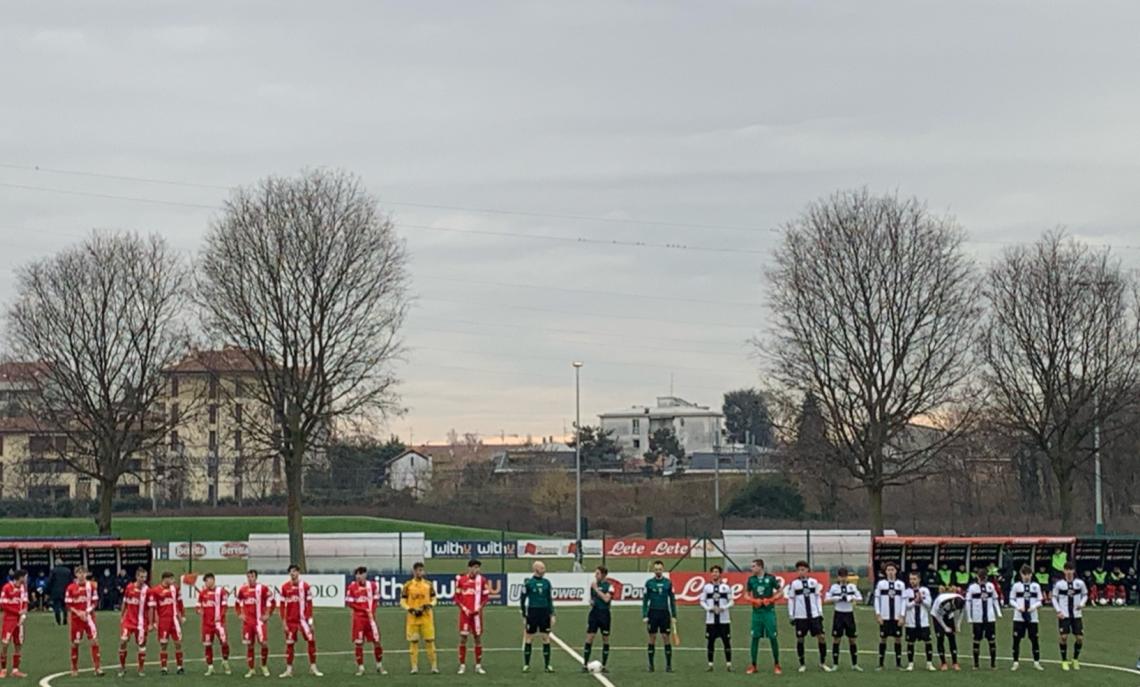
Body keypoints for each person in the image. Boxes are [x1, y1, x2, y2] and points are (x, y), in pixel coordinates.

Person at [786, 560, 831, 673]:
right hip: (800, 616)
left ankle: (822, 662)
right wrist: (791, 615)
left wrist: (820, 612)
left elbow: (817, 597)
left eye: (803, 569)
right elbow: (791, 600)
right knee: (800, 639)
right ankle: (802, 664)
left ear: (807, 570)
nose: (801, 572)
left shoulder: (814, 582)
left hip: (814, 615)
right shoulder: (794, 584)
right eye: (799, 570)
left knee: (821, 637)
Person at [279, 563, 322, 677]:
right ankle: (289, 670)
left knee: (311, 641)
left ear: (298, 573)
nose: (293, 573)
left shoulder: (305, 586)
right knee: (290, 645)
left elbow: (310, 604)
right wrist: (283, 622)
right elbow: (282, 605)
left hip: (303, 620)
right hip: (290, 621)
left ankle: (313, 667)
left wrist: (311, 621)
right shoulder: (285, 587)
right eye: (291, 571)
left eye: (295, 571)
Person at [346, 566, 386, 676]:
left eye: (360, 574)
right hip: (359, 619)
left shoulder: (372, 586)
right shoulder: (352, 587)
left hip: (370, 619)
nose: (358, 576)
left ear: (365, 575)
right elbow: (350, 603)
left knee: (377, 641)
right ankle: (361, 668)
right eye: (357, 574)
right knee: (359, 643)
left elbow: (375, 600)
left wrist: (371, 611)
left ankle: (379, 666)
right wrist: (363, 609)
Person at [745, 558, 782, 675]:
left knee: (773, 637)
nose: (752, 568)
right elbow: (746, 594)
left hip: (768, 613)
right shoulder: (751, 580)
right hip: (756, 614)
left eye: (754, 566)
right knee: (755, 638)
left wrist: (771, 599)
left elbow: (781, 592)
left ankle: (777, 664)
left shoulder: (770, 578)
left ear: (760, 567)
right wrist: (753, 600)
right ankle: (753, 665)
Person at [235, 569, 275, 678]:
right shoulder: (243, 590)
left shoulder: (262, 588)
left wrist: (268, 614)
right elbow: (237, 603)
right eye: (248, 576)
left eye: (252, 576)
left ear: (256, 577)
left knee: (264, 644)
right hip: (248, 623)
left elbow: (272, 600)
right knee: (249, 645)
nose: (250, 578)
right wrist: (240, 614)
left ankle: (264, 665)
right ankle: (251, 668)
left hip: (259, 622)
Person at [65, 565, 103, 676]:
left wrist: (86, 612)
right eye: (79, 573)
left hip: (89, 618)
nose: (81, 575)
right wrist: (78, 612)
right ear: (76, 574)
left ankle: (97, 668)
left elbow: (95, 602)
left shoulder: (91, 586)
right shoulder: (71, 588)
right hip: (76, 619)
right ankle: (74, 668)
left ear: (86, 574)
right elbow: (68, 604)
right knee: (75, 643)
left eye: (83, 573)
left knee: (94, 641)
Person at [402, 562, 438, 675]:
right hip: (413, 618)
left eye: (421, 570)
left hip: (427, 617)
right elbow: (402, 601)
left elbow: (434, 598)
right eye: (417, 570)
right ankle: (414, 667)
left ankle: (434, 666)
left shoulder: (428, 584)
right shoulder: (407, 585)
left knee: (430, 641)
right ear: (414, 571)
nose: (420, 572)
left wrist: (430, 605)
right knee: (414, 642)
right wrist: (410, 609)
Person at [456, 559, 490, 675]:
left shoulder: (482, 580)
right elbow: (457, 597)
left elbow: (485, 598)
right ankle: (462, 665)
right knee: (463, 638)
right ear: (469, 568)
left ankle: (478, 665)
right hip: (465, 615)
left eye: (478, 568)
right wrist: (464, 609)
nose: (477, 570)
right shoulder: (461, 580)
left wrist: (479, 608)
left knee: (478, 639)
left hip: (476, 616)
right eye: (474, 567)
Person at [1052, 561, 1088, 671]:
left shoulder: (1080, 583)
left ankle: (1075, 659)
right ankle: (1064, 660)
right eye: (1067, 570)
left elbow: (1085, 594)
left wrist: (1081, 604)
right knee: (1064, 637)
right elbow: (1054, 598)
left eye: (1070, 570)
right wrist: (1058, 611)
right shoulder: (1059, 584)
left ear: (1073, 571)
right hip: (1064, 615)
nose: (1068, 572)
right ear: (1064, 571)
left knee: (1079, 638)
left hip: (1076, 615)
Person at [148, 570, 185, 675]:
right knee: (164, 644)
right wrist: (153, 622)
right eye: (171, 579)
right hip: (163, 621)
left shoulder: (175, 589)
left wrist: (181, 616)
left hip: (174, 620)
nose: (173, 581)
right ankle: (164, 668)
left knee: (178, 643)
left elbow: (179, 603)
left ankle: (180, 666)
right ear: (165, 579)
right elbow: (153, 608)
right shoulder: (155, 591)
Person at [642, 560, 677, 673]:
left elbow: (672, 600)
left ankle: (668, 665)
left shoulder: (668, 583)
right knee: (652, 638)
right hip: (652, 613)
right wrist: (644, 615)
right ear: (654, 570)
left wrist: (674, 615)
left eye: (660, 569)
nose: (658, 571)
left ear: (663, 569)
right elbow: (645, 600)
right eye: (656, 569)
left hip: (664, 613)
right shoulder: (649, 583)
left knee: (666, 638)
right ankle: (651, 665)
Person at [520, 560, 554, 673]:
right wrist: (524, 615)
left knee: (546, 637)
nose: (545, 570)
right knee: (529, 638)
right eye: (542, 568)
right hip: (533, 612)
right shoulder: (528, 583)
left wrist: (552, 614)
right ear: (536, 569)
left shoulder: (547, 583)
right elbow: (522, 600)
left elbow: (549, 599)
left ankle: (547, 665)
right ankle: (526, 664)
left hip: (544, 613)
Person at [1008, 564, 1044, 671]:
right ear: (1021, 574)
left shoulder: (1036, 586)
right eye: (1024, 574)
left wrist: (1033, 607)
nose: (1026, 576)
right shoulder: (1016, 586)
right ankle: (1015, 662)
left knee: (1034, 639)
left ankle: (1036, 662)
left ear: (1031, 574)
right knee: (1016, 640)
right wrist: (1018, 607)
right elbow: (1011, 599)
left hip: (1033, 618)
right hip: (1018, 617)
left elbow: (1040, 600)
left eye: (1028, 574)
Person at [825, 566, 862, 671]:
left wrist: (851, 598)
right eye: (841, 576)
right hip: (839, 614)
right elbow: (826, 600)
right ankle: (835, 664)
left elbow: (860, 599)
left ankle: (854, 664)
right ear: (838, 577)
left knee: (852, 639)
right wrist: (837, 598)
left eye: (845, 576)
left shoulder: (852, 587)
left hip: (849, 614)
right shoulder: (834, 587)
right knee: (837, 639)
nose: (843, 579)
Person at [117, 567, 151, 677]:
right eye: (141, 577)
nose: (143, 579)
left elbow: (150, 608)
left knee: (141, 644)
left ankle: (141, 669)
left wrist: (150, 623)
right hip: (128, 621)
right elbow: (125, 602)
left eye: (145, 577)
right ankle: (122, 668)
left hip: (141, 623)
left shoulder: (147, 590)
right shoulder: (129, 587)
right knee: (123, 641)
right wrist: (122, 616)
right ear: (137, 577)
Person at [966, 567, 1001, 670]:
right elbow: (968, 602)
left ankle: (993, 664)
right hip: (977, 619)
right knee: (976, 640)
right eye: (981, 577)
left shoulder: (990, 586)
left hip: (990, 618)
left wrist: (998, 612)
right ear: (977, 577)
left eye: (984, 577)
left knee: (992, 640)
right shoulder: (972, 588)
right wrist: (969, 617)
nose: (982, 579)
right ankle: (976, 664)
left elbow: (995, 599)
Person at [198, 572, 232, 676]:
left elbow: (225, 607)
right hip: (207, 625)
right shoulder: (203, 593)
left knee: (224, 643)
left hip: (219, 624)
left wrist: (220, 618)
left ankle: (225, 662)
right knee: (208, 645)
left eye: (207, 580)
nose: (206, 583)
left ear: (212, 580)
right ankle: (210, 667)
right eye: (205, 581)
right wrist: (199, 610)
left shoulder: (221, 591)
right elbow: (198, 605)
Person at [700, 565, 733, 672]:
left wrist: (723, 608)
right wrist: (709, 608)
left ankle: (728, 665)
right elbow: (702, 601)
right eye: (713, 572)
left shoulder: (726, 587)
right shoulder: (706, 587)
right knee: (710, 642)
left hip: (724, 620)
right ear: (711, 574)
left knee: (726, 642)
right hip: (710, 621)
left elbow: (731, 601)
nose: (715, 574)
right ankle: (710, 665)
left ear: (720, 574)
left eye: (717, 572)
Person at [874, 561, 905, 670]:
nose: (890, 572)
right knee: (883, 638)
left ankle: (898, 664)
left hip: (896, 617)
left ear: (896, 571)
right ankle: (881, 664)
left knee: (898, 639)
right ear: (885, 572)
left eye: (892, 570)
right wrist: (878, 614)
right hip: (885, 616)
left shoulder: (900, 584)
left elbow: (903, 601)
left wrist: (902, 616)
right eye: (888, 570)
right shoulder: (881, 584)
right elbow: (877, 599)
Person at [903, 571, 935, 672]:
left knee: (928, 642)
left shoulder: (925, 590)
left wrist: (922, 600)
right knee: (910, 643)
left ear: (919, 579)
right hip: (911, 622)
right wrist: (914, 601)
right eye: (911, 579)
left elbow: (929, 605)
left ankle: (929, 664)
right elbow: (905, 606)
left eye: (914, 579)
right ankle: (910, 664)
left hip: (923, 622)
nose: (912, 581)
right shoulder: (907, 592)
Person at [582, 565, 612, 674]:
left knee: (605, 639)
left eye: (598, 573)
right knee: (589, 638)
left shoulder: (609, 586)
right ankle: (585, 664)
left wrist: (596, 589)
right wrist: (592, 602)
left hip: (605, 615)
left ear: (603, 575)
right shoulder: (593, 585)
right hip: (594, 614)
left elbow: (606, 599)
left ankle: (604, 665)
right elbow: (593, 599)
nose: (595, 575)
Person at [0, 569, 29, 678]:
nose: (26, 579)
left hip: (19, 620)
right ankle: (3, 669)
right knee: (5, 643)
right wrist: (17, 612)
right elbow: (3, 604)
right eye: (25, 577)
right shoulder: (7, 587)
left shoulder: (23, 588)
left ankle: (15, 669)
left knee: (18, 644)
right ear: (20, 577)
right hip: (9, 619)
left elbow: (25, 602)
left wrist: (24, 613)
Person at [931, 591, 965, 671]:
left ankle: (955, 662)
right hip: (937, 615)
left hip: (948, 615)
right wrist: (945, 627)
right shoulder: (942, 602)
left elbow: (961, 613)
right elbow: (938, 616)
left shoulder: (962, 600)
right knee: (940, 638)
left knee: (952, 637)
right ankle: (943, 663)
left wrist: (958, 625)